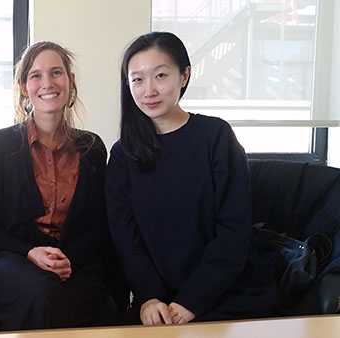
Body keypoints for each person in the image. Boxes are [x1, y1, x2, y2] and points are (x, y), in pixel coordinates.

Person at [106, 31, 276, 325]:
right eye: (137, 79)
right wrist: (149, 297)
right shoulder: (123, 153)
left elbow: (234, 228)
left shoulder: (215, 136)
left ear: (184, 76)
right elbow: (126, 237)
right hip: (159, 299)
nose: (149, 90)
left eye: (160, 75)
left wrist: (193, 300)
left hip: (227, 291)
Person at [0, 41, 124, 332]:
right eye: (35, 75)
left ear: (70, 82)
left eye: (56, 73)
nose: (47, 83)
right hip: (6, 262)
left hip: (72, 263)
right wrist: (30, 253)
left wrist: (65, 259)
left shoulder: (92, 148)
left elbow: (100, 225)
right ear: (24, 87)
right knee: (43, 292)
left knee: (97, 302)